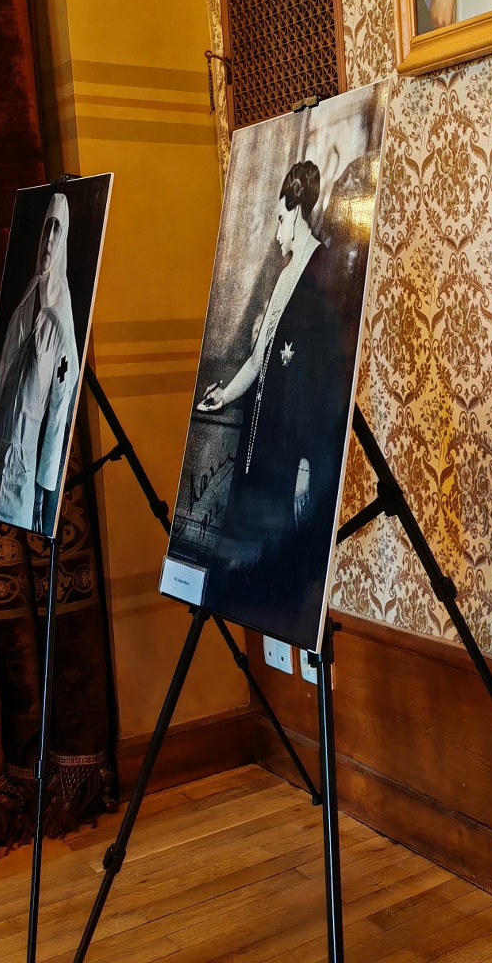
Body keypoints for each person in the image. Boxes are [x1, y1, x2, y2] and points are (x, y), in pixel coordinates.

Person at [196, 160, 347, 635]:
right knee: (245, 573)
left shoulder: (323, 274)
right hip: (260, 450)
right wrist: (225, 395)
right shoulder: (285, 276)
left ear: (297, 213)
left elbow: (323, 390)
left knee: (280, 575)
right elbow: (259, 357)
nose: (278, 233)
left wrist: (306, 467)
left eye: (281, 219)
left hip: (291, 460)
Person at [0, 192, 79, 534]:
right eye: (47, 228)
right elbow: (0, 384)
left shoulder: (60, 321)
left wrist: (45, 484)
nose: (49, 240)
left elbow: (60, 406)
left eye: (57, 231)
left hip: (25, 463)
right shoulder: (23, 306)